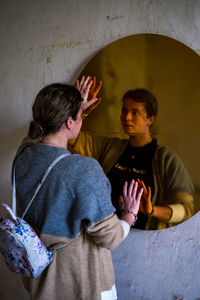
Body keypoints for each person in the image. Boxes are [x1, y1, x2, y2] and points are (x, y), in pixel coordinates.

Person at [13, 80, 143, 300]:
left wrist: (76, 109)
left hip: (40, 285)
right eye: (80, 116)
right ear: (69, 122)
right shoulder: (83, 170)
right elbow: (110, 237)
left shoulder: (23, 156)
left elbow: (35, 137)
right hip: (83, 287)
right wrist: (129, 215)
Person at [69, 76, 194, 230]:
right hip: (107, 235)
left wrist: (151, 210)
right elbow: (71, 139)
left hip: (145, 242)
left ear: (150, 119)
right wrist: (81, 111)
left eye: (135, 113)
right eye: (124, 111)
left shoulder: (165, 158)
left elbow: (186, 209)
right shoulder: (110, 147)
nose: (127, 117)